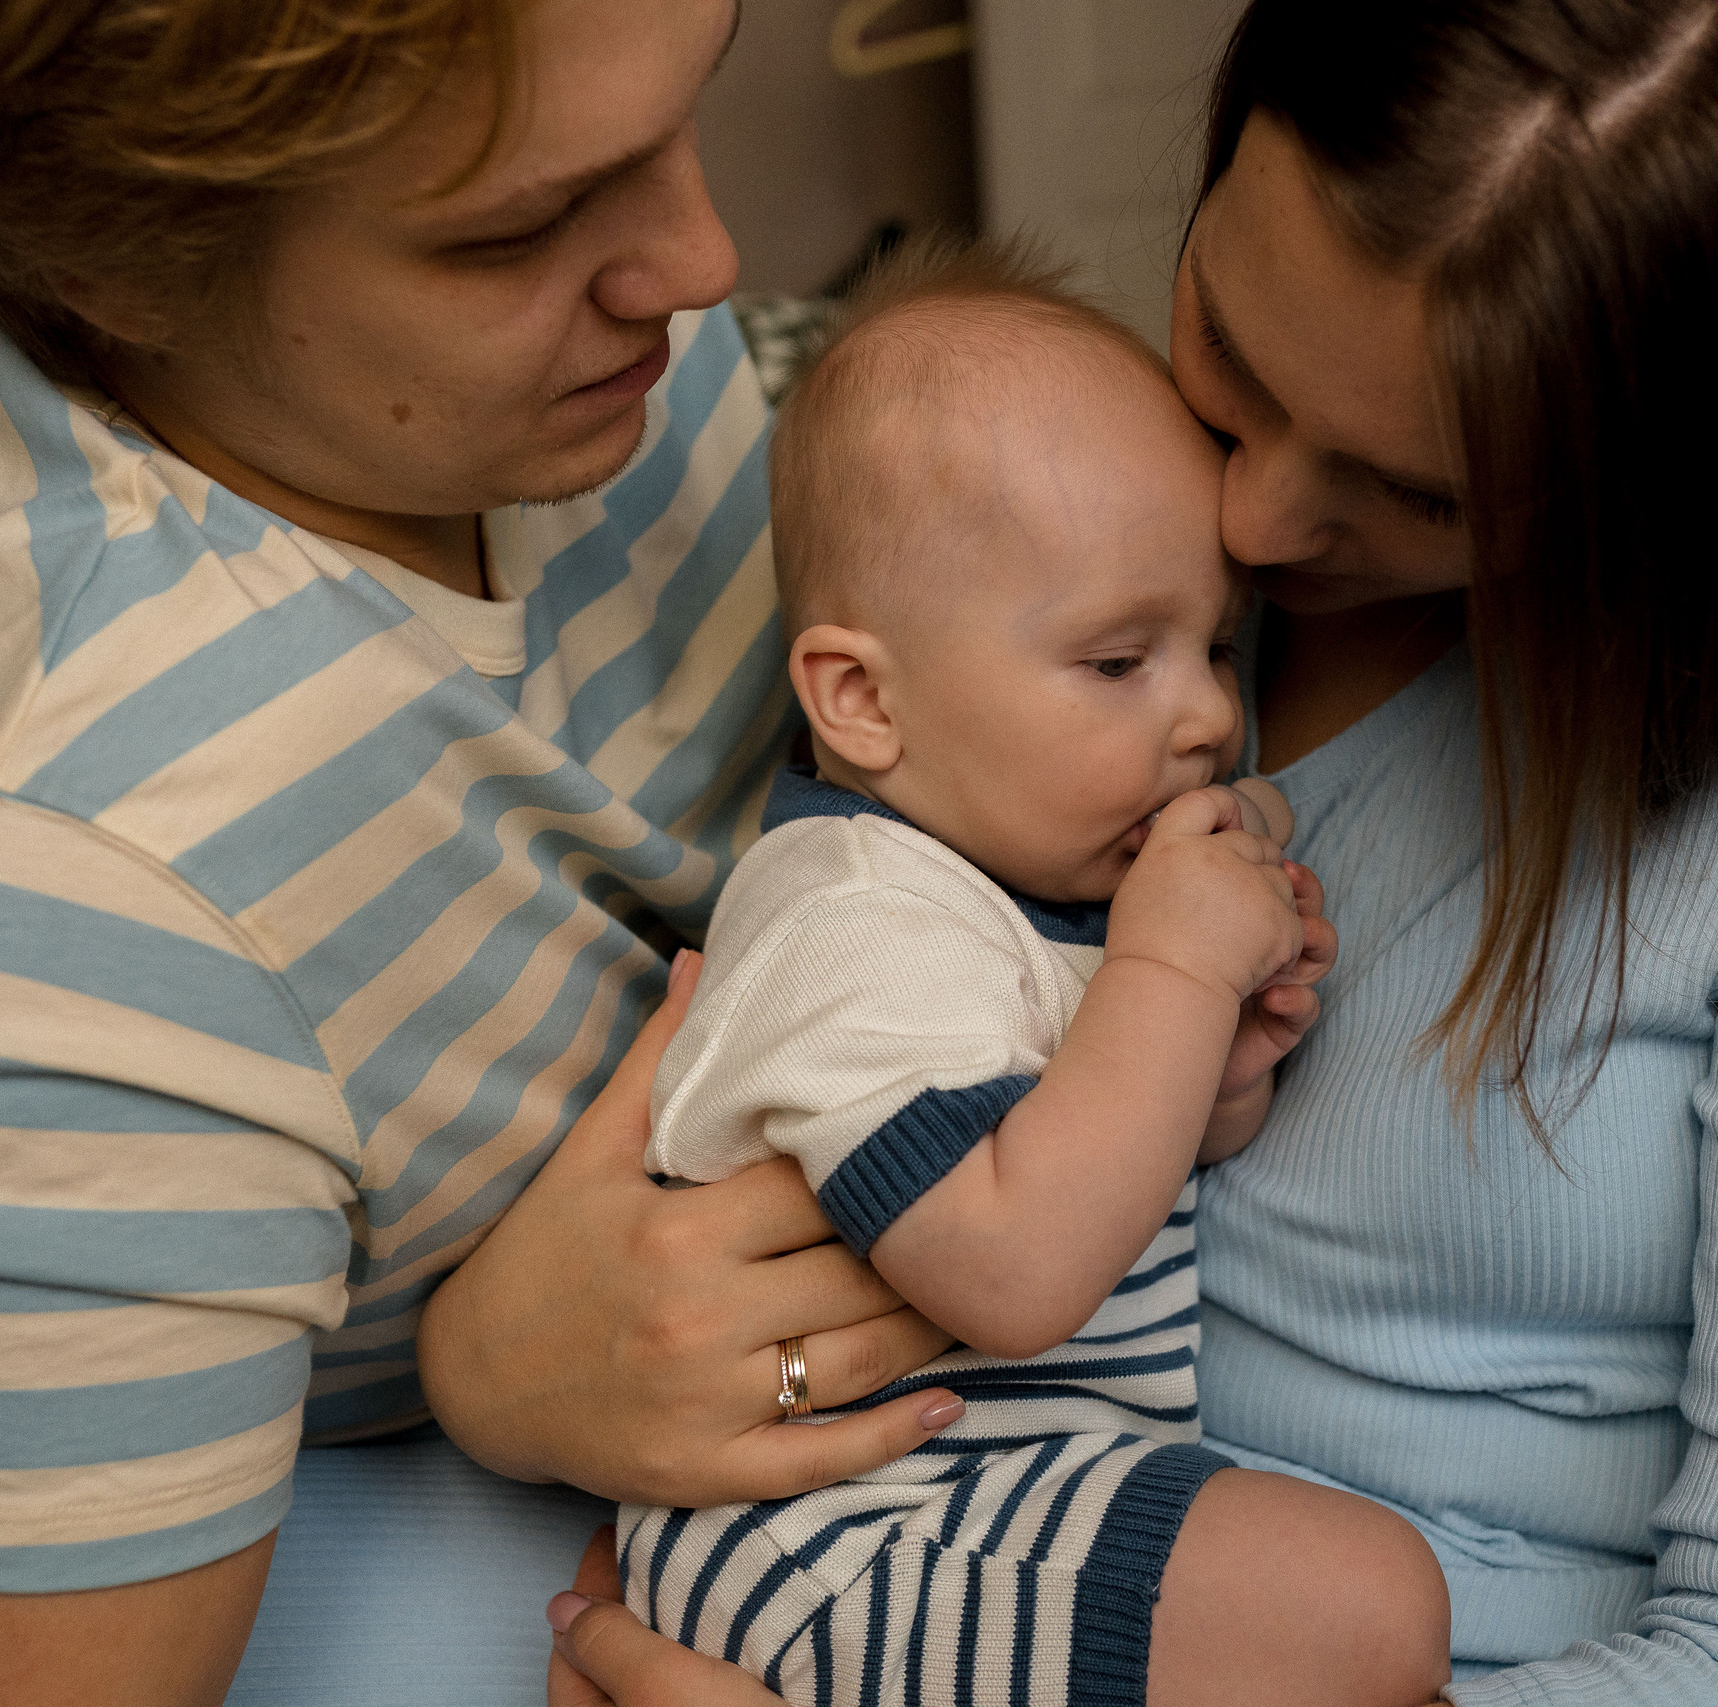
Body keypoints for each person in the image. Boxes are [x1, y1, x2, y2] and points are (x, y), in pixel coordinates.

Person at [548, 2, 1718, 1704]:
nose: (1251, 527)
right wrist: (508, 1368)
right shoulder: (1042, 565)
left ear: (1702, 492)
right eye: (1232, 358)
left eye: (1424, 497)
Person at [0, 2, 971, 1702]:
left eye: (689, 101)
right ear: (123, 271)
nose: (701, 264)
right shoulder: (39, 913)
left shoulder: (521, 373)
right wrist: (490, 1407)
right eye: (521, 226)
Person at [616, 239, 1446, 1706]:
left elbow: (1097, 1158)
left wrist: (1221, 1070)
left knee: (1349, 1611)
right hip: (842, 1538)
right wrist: (1174, 979)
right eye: (1120, 664)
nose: (1203, 720)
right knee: (1361, 1609)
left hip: (985, 1504)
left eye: (1217, 651)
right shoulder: (853, 925)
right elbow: (1011, 1267)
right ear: (863, 700)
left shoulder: (1020, 890)